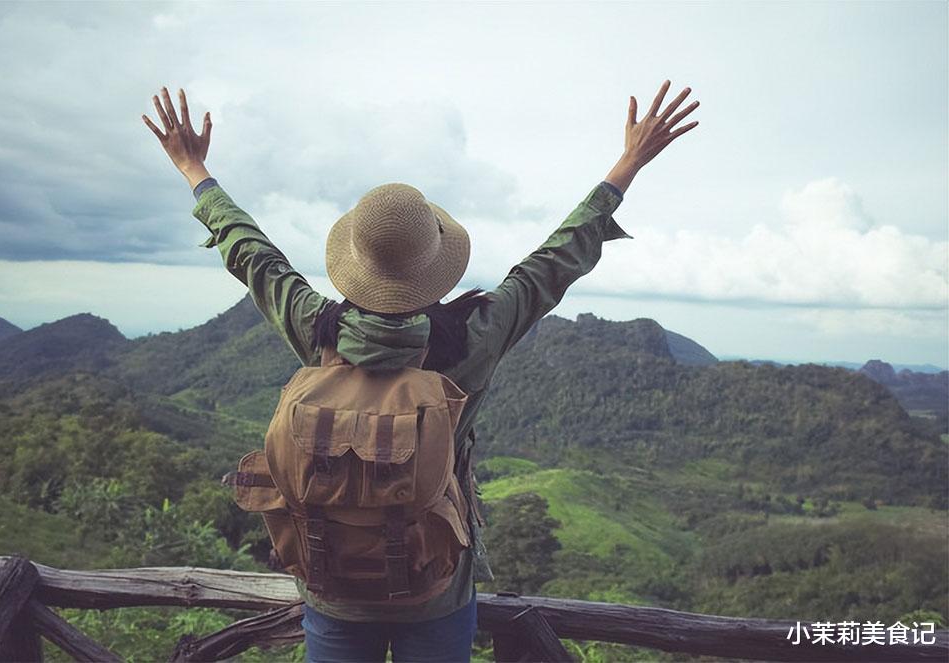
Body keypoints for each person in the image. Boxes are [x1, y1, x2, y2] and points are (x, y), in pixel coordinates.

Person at [143, 79, 698, 663]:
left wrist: (193, 169)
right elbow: (553, 262)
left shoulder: (317, 330)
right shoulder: (471, 339)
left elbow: (252, 254)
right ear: (434, 262)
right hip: (436, 593)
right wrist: (628, 163)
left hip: (332, 591)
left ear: (356, 263)